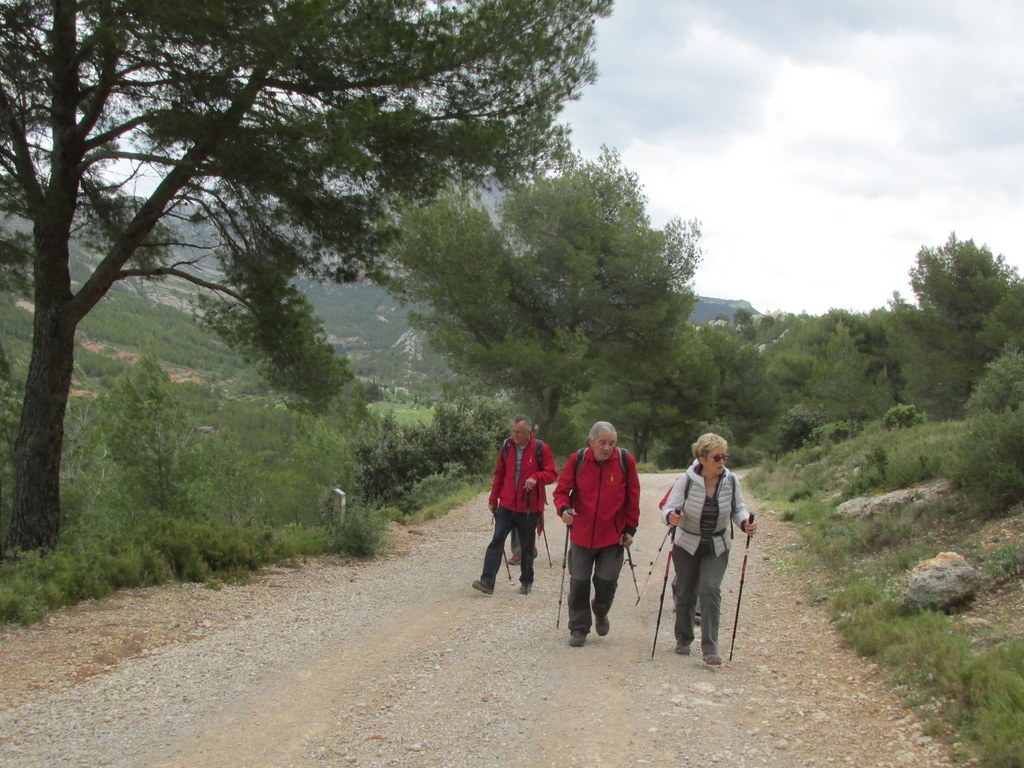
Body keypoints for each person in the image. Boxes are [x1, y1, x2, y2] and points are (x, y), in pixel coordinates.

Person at [660, 433, 756, 667]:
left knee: (710, 589)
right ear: (702, 458)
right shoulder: (686, 480)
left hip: (717, 544)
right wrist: (670, 516)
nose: (722, 461)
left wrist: (745, 522)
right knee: (685, 591)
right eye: (716, 457)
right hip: (687, 543)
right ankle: (683, 638)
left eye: (724, 456)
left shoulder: (731, 480)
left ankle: (711, 648)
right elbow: (669, 507)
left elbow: (738, 509)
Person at [552, 421, 640, 647]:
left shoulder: (624, 462)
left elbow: (633, 497)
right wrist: (563, 510)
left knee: (606, 582)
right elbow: (561, 491)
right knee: (579, 583)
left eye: (612, 443)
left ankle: (600, 610)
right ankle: (579, 628)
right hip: (582, 535)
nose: (607, 447)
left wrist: (630, 529)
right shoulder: (578, 460)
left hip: (612, 536)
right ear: (591, 442)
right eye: (602, 442)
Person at [473, 415, 558, 595]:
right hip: (506, 504)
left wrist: (536, 477)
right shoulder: (507, 447)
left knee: (527, 547)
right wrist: (493, 499)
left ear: (529, 432)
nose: (515, 435)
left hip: (529, 507)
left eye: (519, 432)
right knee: (496, 541)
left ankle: (526, 582)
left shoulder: (540, 448)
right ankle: (487, 581)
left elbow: (552, 474)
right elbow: (500, 474)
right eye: (512, 431)